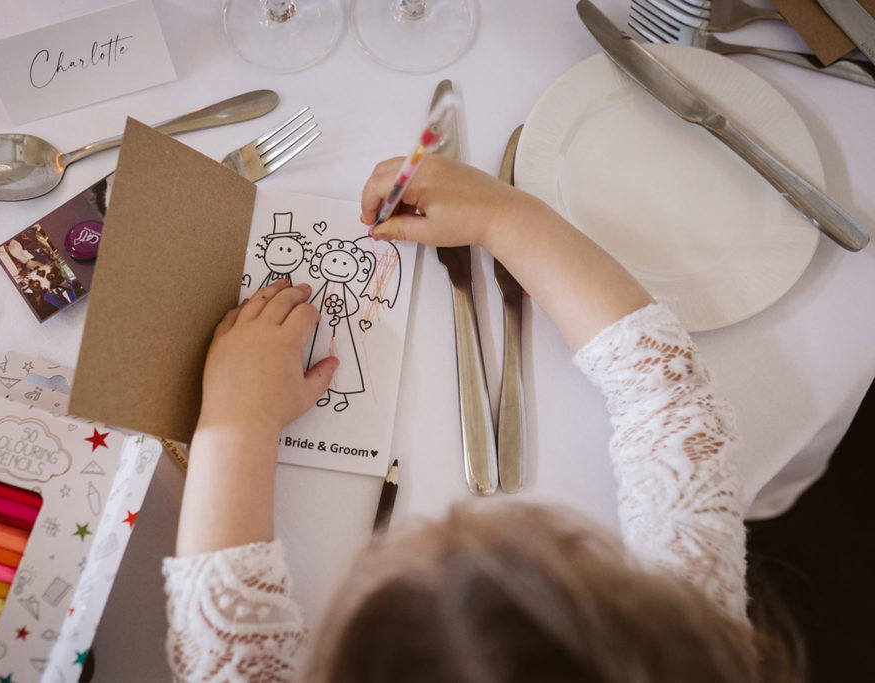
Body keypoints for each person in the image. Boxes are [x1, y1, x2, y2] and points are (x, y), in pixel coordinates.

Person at [161, 155, 796, 682]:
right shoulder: (682, 655)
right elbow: (672, 399)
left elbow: (223, 631)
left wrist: (236, 419)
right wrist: (502, 216)